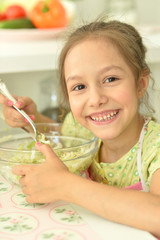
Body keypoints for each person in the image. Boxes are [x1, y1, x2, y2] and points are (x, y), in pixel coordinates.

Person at [0, 19, 160, 238]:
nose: (95, 99)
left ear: (140, 84)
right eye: (79, 87)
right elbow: (63, 139)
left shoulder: (155, 148)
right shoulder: (85, 129)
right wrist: (32, 119)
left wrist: (67, 185)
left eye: (110, 79)